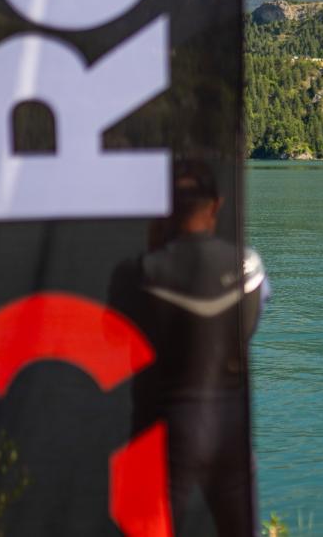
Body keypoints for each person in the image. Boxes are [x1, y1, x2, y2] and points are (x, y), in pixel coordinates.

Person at [109, 160, 268, 536]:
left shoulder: (136, 273)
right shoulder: (249, 268)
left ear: (163, 209)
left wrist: (154, 247)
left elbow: (115, 339)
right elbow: (252, 319)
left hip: (160, 430)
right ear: (216, 205)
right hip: (229, 429)